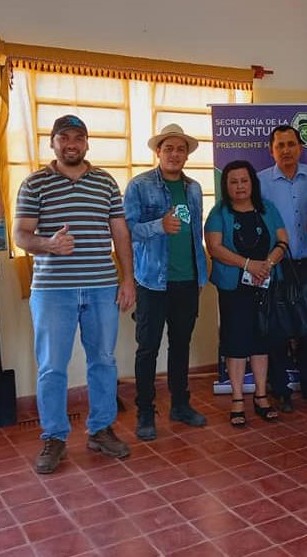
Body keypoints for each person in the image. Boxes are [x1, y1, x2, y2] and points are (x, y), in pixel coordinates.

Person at [14, 114, 135, 474]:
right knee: (52, 366)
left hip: (101, 286)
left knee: (104, 361)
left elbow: (120, 233)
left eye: (78, 137)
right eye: (63, 137)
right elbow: (21, 235)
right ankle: (54, 437)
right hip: (53, 291)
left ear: (86, 143)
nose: (71, 144)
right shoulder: (34, 184)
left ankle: (101, 430)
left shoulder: (105, 182)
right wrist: (48, 245)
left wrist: (128, 279)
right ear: (52, 142)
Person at [124, 124, 209, 440]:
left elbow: (195, 234)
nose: (175, 154)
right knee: (148, 348)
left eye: (180, 149)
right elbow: (127, 230)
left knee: (181, 345)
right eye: (168, 148)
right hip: (152, 282)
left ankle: (180, 405)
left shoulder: (194, 188)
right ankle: (146, 412)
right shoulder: (139, 185)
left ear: (187, 154)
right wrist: (158, 226)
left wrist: (201, 273)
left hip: (187, 280)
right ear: (158, 152)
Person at [258, 125, 307, 412]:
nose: (286, 150)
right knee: (277, 330)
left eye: (291, 144)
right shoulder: (260, 182)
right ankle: (280, 390)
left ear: (300, 148)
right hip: (277, 266)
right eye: (280, 145)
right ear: (271, 150)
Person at [205, 160, 288, 426]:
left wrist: (267, 265)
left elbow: (283, 241)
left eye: (244, 180)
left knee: (262, 340)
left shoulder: (268, 208)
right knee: (236, 341)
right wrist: (249, 265)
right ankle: (238, 398)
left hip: (265, 283)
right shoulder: (218, 212)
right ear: (226, 185)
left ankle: (261, 396)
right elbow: (215, 248)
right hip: (234, 288)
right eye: (233, 181)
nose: (240, 186)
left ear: (252, 183)